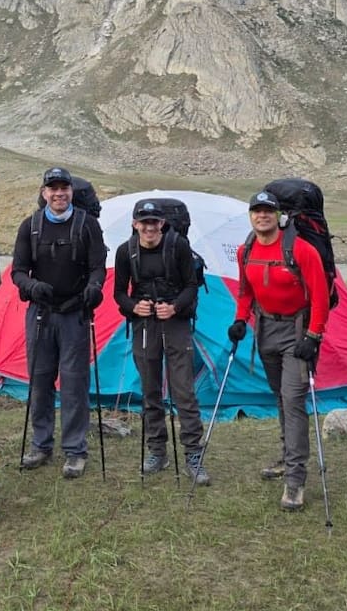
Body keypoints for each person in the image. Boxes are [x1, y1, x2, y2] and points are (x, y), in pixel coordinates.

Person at [231, 190, 330, 511]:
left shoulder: (301, 250)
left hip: (298, 331)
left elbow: (320, 298)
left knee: (293, 399)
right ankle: (288, 457)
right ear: (250, 216)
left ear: (279, 216)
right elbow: (246, 292)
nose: (262, 216)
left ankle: (296, 481)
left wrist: (313, 336)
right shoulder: (246, 251)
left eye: (268, 211)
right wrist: (239, 320)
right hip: (265, 331)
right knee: (281, 398)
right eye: (257, 211)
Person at [11, 166, 107, 479]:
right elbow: (18, 271)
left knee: (74, 382)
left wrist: (94, 287)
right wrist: (30, 287)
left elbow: (97, 267)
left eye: (63, 188)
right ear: (44, 193)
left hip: (75, 314)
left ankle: (75, 450)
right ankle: (40, 444)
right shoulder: (30, 226)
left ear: (71, 192)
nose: (59, 193)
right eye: (52, 188)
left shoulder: (88, 225)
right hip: (40, 314)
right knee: (39, 380)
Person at [112, 199, 208, 485]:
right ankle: (157, 451)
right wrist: (133, 307)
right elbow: (118, 292)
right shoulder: (124, 252)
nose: (149, 227)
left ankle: (193, 453)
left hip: (175, 322)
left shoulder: (177, 246)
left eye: (154, 222)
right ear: (135, 224)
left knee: (183, 391)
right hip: (145, 325)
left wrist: (175, 307)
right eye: (144, 221)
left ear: (162, 224)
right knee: (150, 390)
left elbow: (191, 286)